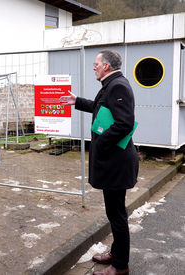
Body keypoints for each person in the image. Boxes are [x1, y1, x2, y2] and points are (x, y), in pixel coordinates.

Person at [59, 49, 138, 275]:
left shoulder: (118, 85)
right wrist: (77, 101)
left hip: (116, 163)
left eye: (96, 63)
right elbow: (103, 107)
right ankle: (116, 252)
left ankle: (120, 265)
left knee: (117, 215)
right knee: (114, 212)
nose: (93, 67)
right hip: (114, 162)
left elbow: (124, 123)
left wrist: (99, 143)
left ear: (107, 66)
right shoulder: (112, 84)